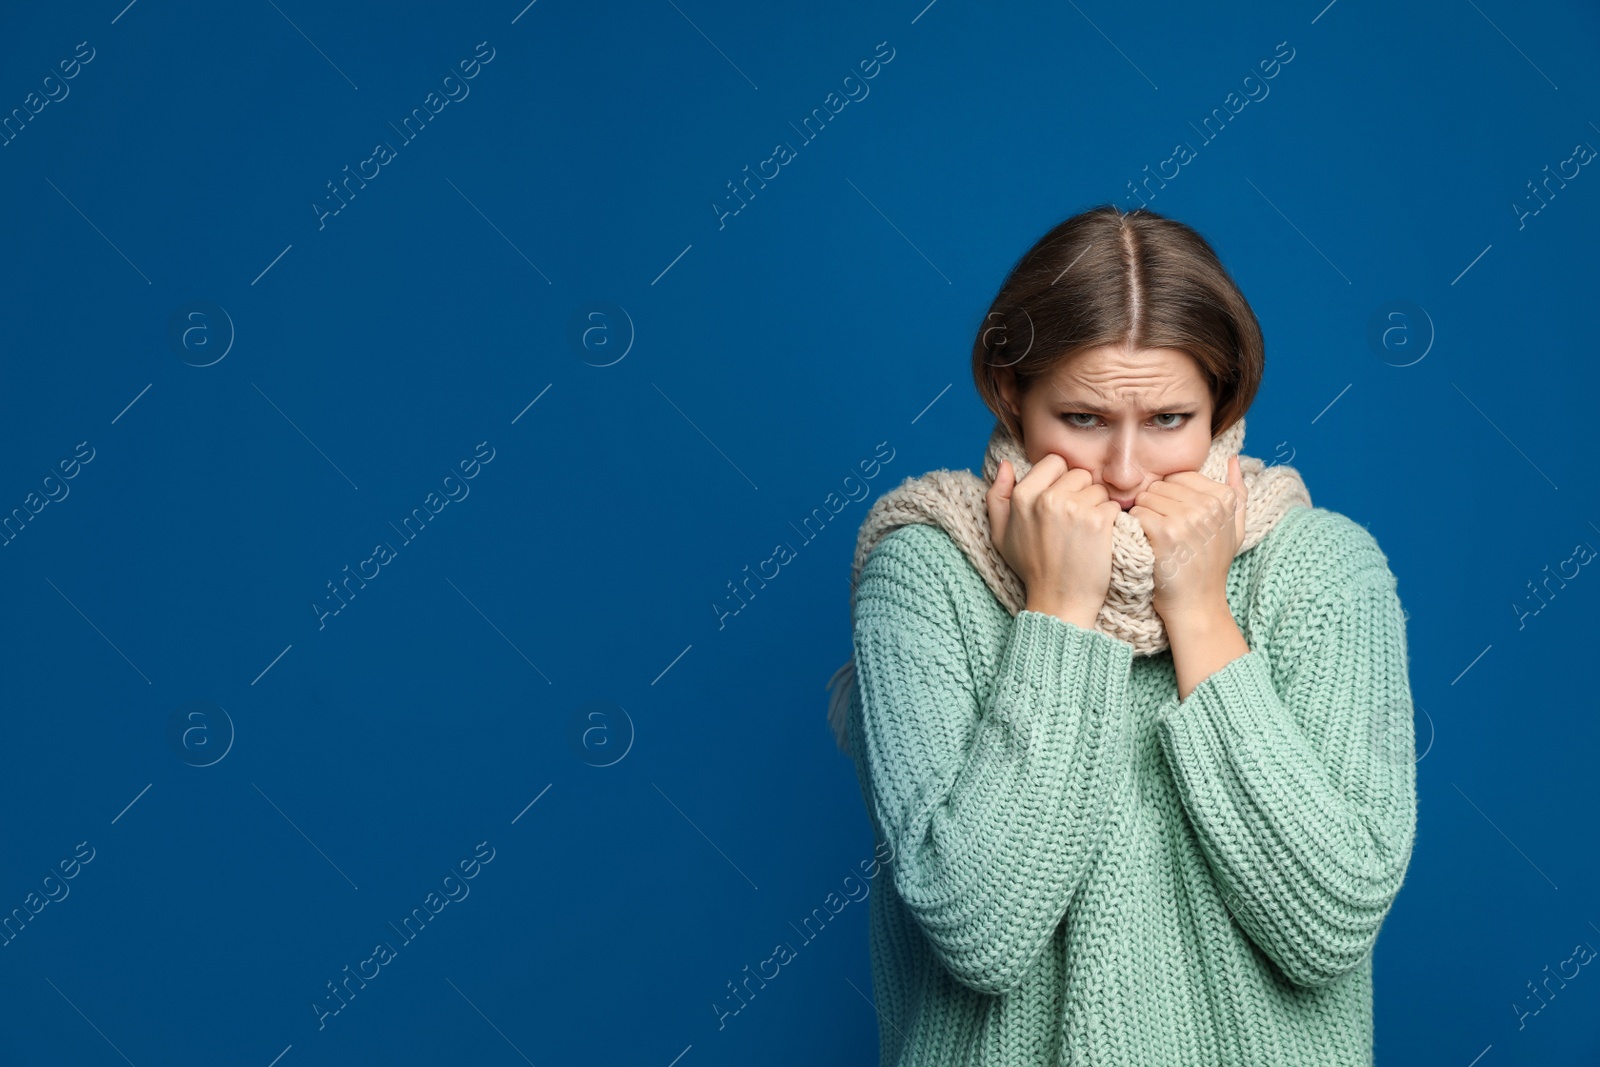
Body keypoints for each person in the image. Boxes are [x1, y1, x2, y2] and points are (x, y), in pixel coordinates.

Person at [824, 204, 1418, 1066]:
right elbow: (978, 926)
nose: (1128, 473)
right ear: (1008, 391)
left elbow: (1329, 923)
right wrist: (1061, 608)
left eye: (1169, 420)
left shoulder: (1322, 568)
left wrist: (1201, 612)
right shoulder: (925, 571)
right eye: (1085, 419)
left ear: (1224, 402)